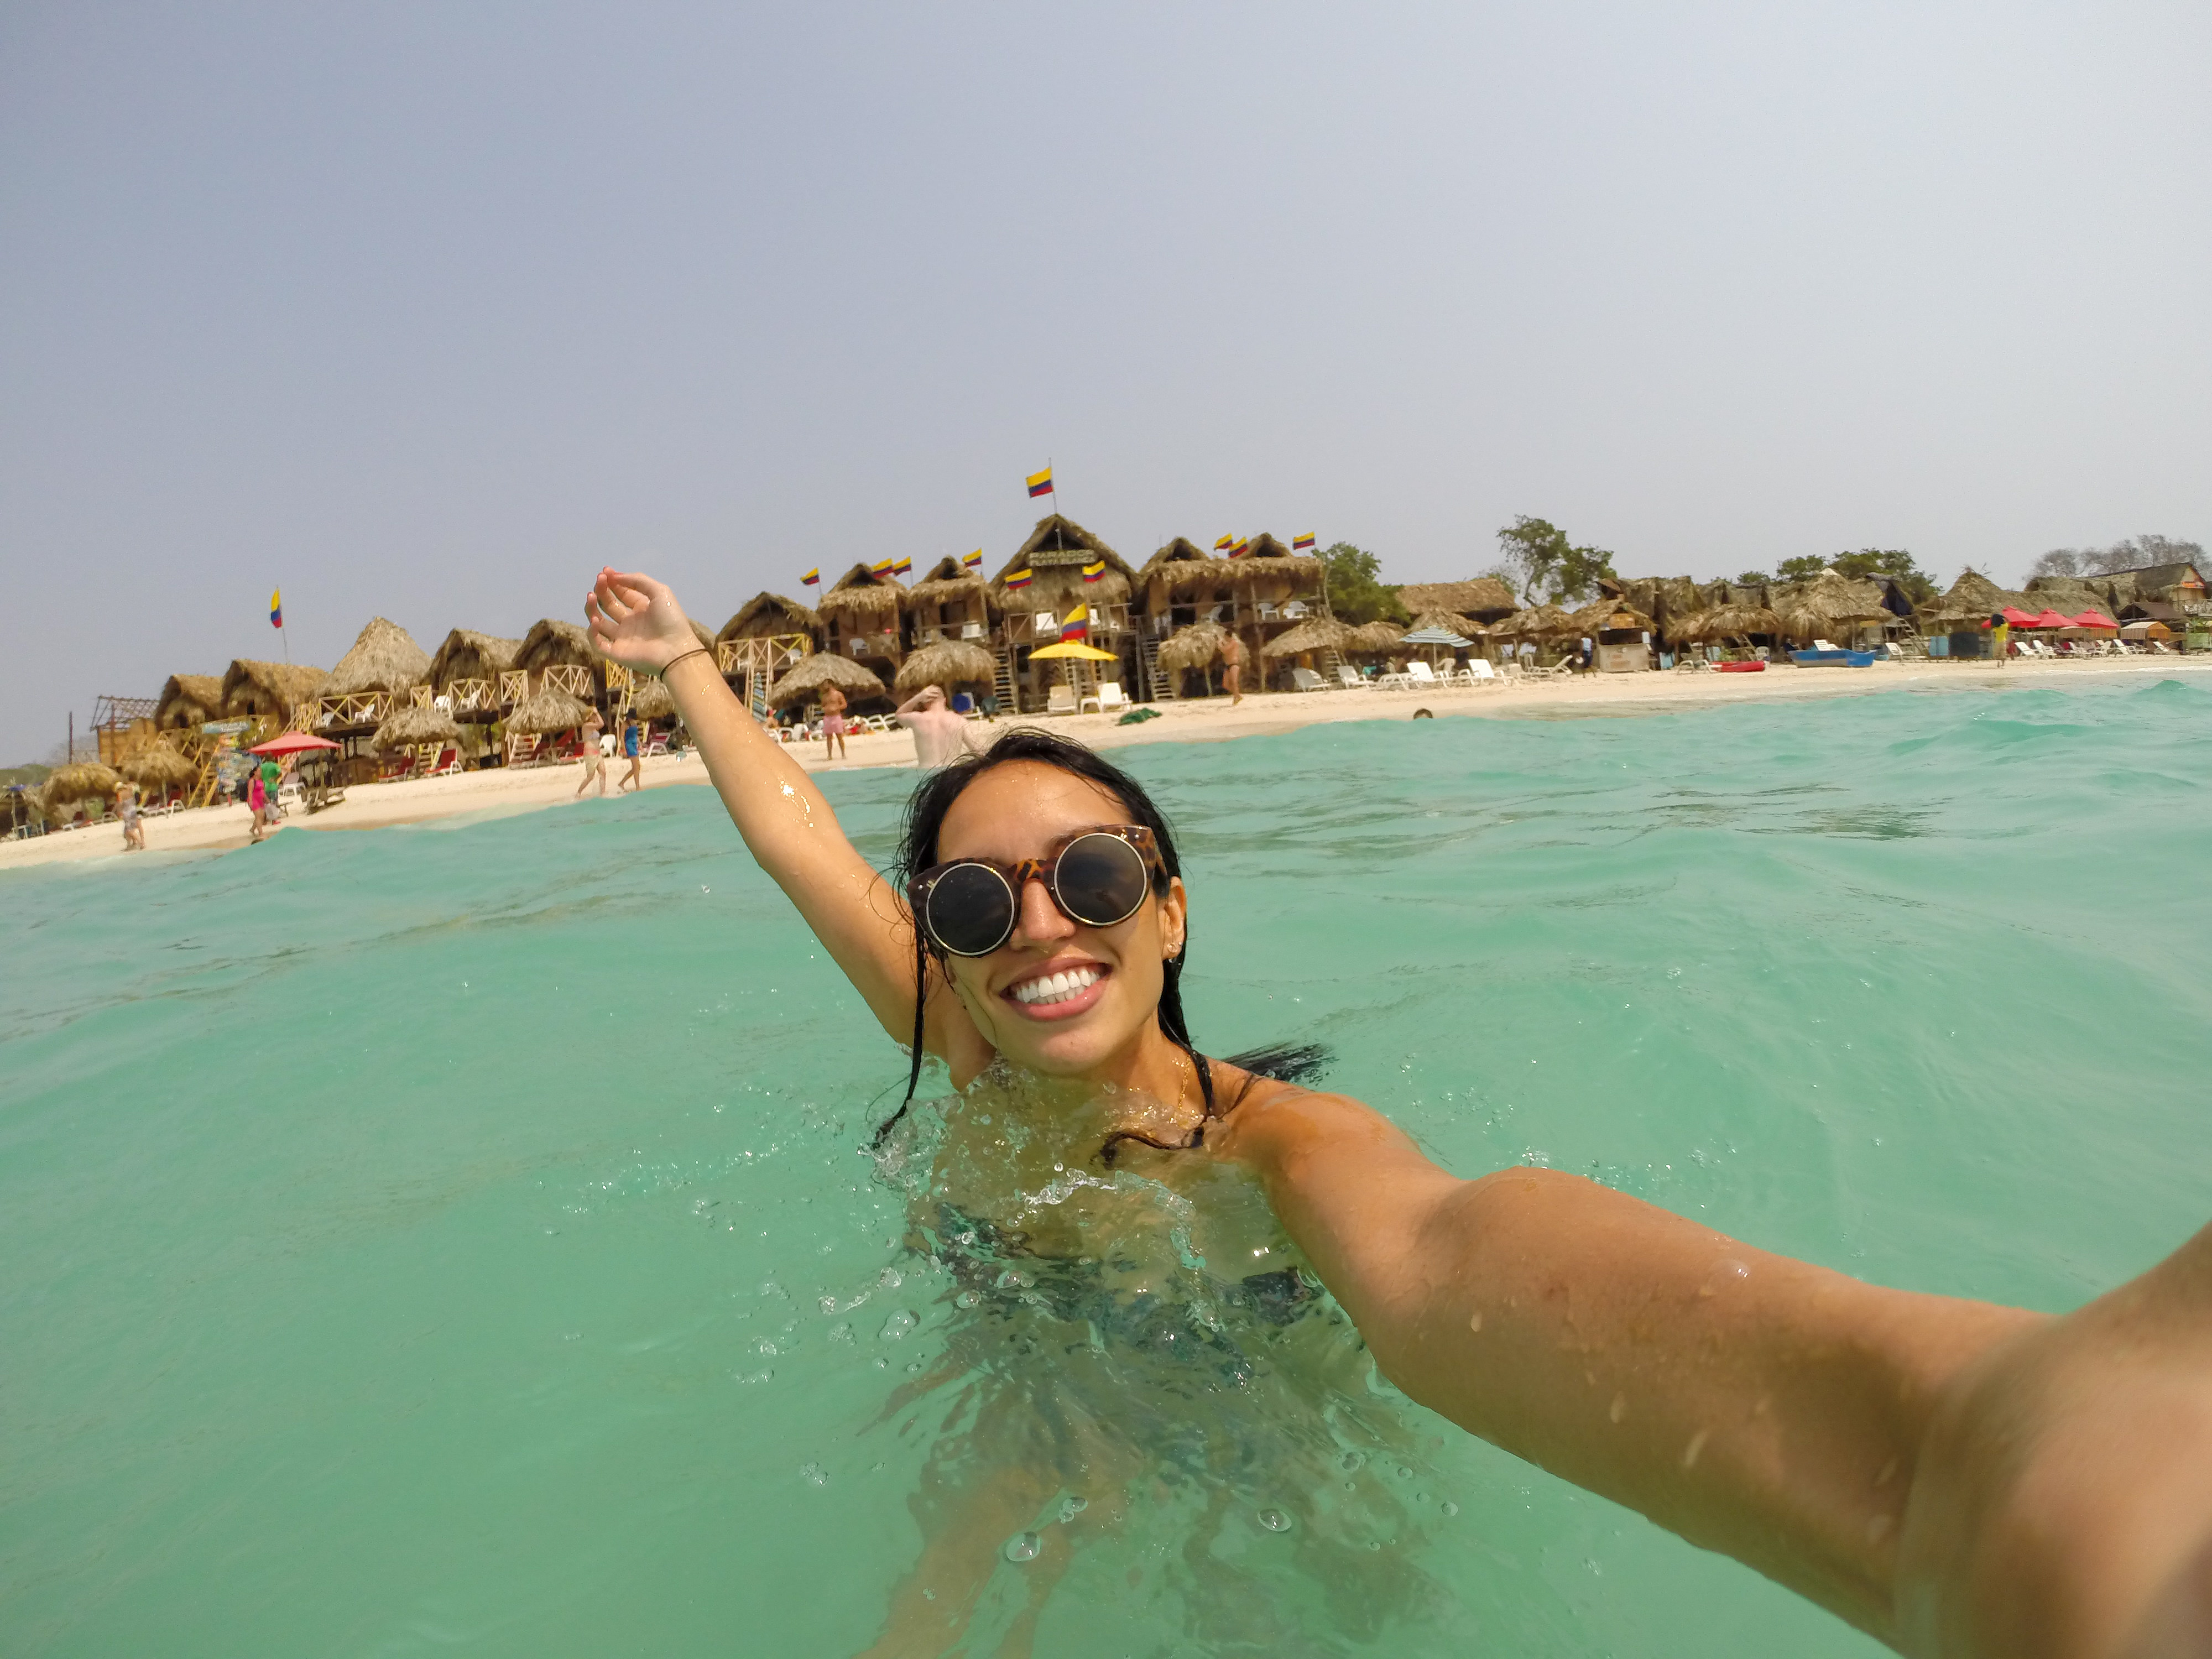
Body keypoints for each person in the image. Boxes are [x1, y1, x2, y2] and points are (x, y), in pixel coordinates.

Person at [586, 566, 2212, 1659]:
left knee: (1341, 1598)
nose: (1034, 930)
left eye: (1083, 878)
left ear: (1166, 910)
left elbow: (1442, 1251)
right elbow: (800, 838)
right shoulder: (960, 1045)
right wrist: (687, 669)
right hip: (1024, 1348)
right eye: (967, 901)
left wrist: (1964, 1461)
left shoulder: (1283, 1146)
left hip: (1241, 1346)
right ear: (937, 939)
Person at [894, 684, 985, 770]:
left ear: (924, 703)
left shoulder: (918, 719)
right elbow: (978, 752)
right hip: (950, 772)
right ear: (944, 700)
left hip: (926, 773)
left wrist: (917, 698)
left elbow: (899, 715)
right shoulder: (959, 721)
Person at [575, 711, 607, 797]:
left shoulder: (593, 727)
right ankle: (579, 793)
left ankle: (602, 793)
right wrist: (597, 713)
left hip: (598, 753)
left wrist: (596, 716)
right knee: (590, 776)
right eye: (593, 715)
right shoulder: (586, 726)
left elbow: (599, 724)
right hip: (590, 754)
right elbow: (602, 724)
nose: (595, 716)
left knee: (603, 773)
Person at [817, 682, 849, 760]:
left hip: (836, 717)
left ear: (831, 684)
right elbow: (823, 706)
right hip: (828, 718)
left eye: (826, 684)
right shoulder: (824, 696)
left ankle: (843, 753)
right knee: (829, 737)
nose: (824, 686)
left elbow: (844, 704)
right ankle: (830, 755)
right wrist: (825, 709)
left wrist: (837, 708)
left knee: (839, 736)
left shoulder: (838, 694)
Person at [617, 714, 645, 793]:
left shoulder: (634, 723)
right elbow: (622, 738)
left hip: (634, 745)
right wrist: (624, 749)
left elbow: (635, 735)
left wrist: (640, 744)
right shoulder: (625, 724)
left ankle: (622, 783)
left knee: (637, 767)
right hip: (629, 746)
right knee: (637, 766)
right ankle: (638, 787)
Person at [115, 779, 144, 852]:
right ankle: (130, 845)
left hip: (127, 813)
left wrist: (119, 812)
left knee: (129, 830)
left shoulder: (120, 794)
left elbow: (120, 804)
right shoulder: (130, 790)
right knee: (130, 829)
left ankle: (140, 843)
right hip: (134, 811)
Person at [1219, 628, 1244, 705]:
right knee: (1225, 685)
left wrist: (1219, 644)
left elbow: (1224, 650)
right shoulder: (1228, 643)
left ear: (1227, 636)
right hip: (1228, 665)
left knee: (1234, 682)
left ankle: (1236, 698)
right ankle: (1238, 695)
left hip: (1234, 665)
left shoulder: (1234, 643)